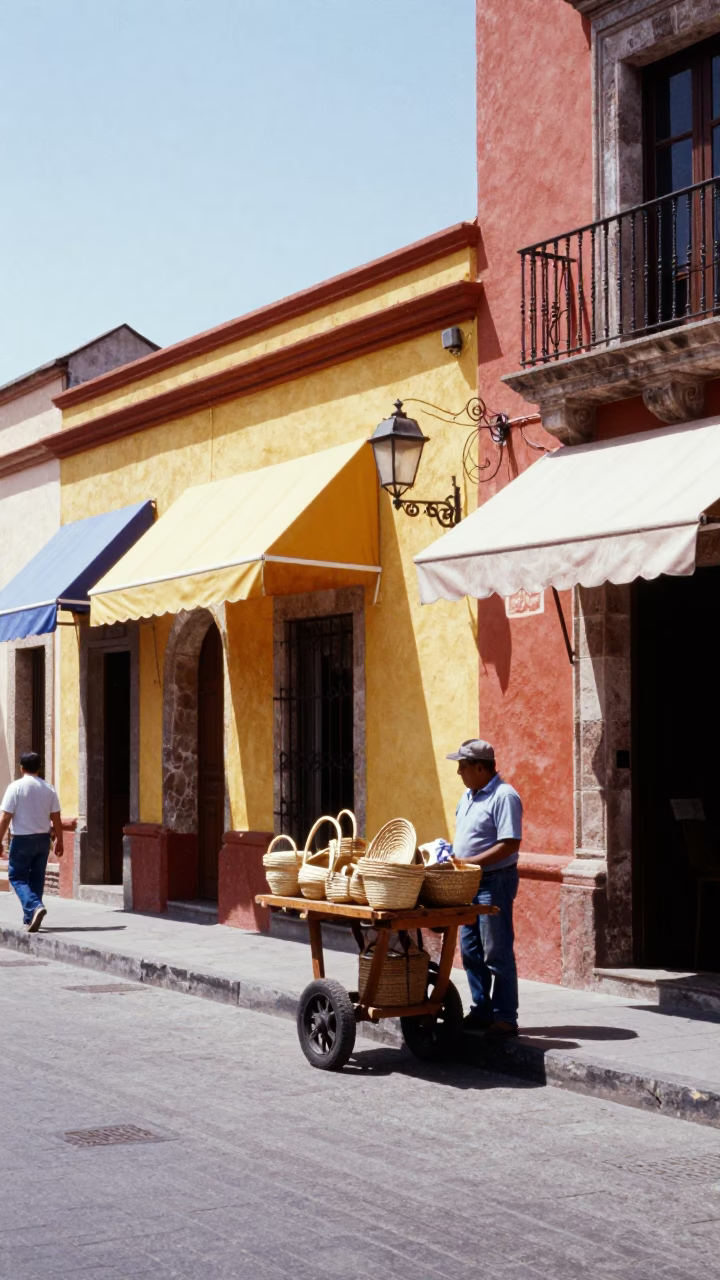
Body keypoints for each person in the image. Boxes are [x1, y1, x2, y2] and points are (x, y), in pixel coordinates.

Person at [446, 738, 522, 1038]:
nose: (459, 773)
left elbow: (510, 843)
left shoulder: (505, 796)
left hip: (494, 881)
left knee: (496, 951)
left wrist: (471, 862)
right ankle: (482, 1010)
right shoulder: (468, 796)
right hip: (469, 883)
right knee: (470, 950)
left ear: (480, 768)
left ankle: (505, 1017)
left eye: (463, 766)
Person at [0, 752, 63, 933]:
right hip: (43, 839)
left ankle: (34, 906)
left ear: (21, 767)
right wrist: (60, 840)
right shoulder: (48, 788)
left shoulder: (16, 787)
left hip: (22, 839)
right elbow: (56, 817)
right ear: (39, 768)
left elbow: (5, 817)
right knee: (36, 878)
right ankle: (30, 919)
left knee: (17, 877)